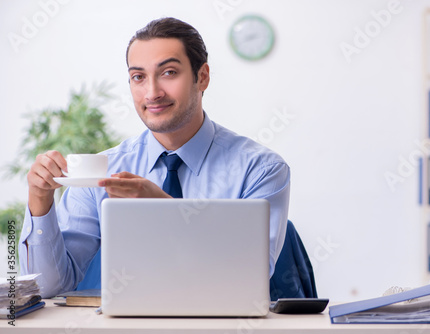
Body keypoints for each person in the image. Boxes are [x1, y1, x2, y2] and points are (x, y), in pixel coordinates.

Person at [19, 17, 290, 298]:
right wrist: (40, 202)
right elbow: (50, 288)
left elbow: (251, 276)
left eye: (169, 73)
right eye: (138, 77)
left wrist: (164, 211)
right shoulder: (101, 172)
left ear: (203, 77)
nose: (152, 93)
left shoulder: (260, 169)